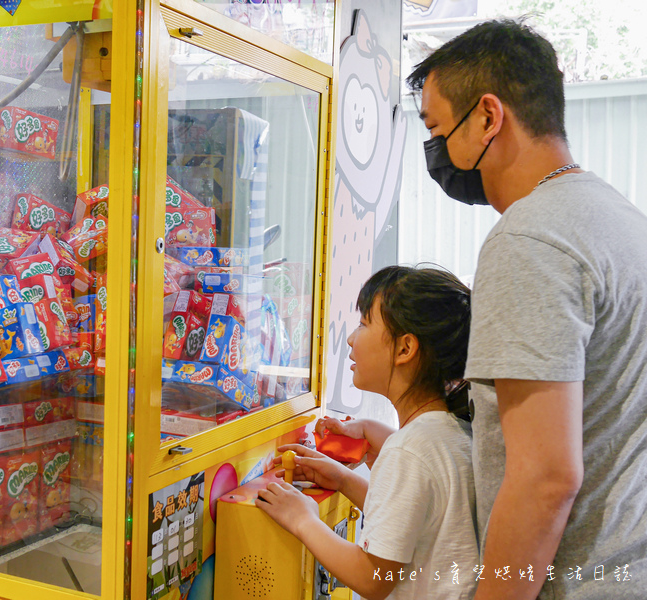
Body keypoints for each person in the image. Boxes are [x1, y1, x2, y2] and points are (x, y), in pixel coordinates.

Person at [406, 19, 647, 600]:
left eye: (437, 128)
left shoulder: (530, 240)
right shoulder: (621, 220)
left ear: (488, 117)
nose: (435, 150)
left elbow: (545, 477)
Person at [257, 266, 478, 599]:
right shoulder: (451, 433)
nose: (350, 338)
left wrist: (303, 519)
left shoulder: (407, 451)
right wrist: (344, 480)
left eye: (364, 324)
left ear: (405, 349)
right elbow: (416, 525)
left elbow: (372, 576)